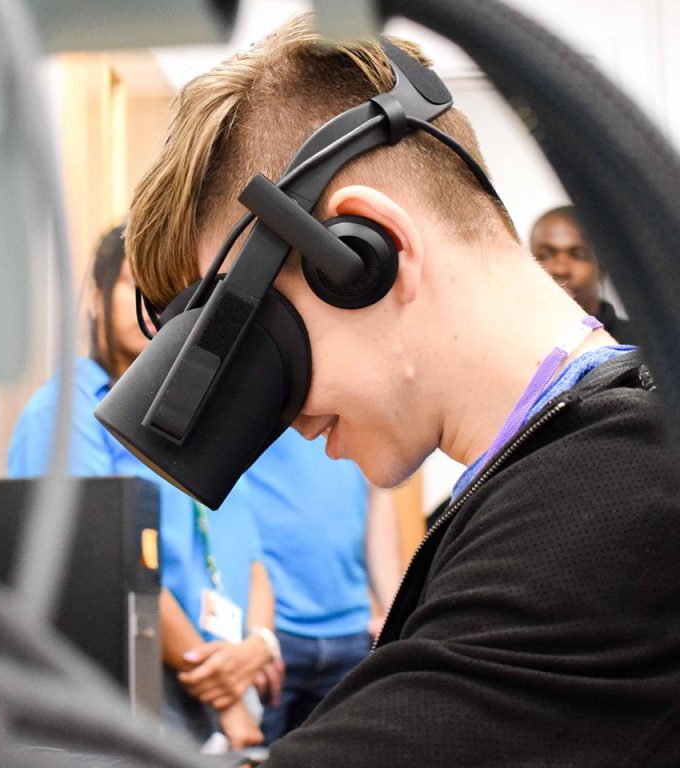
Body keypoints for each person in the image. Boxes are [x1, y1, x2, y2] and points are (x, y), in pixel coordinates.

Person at [124, 15, 680, 768]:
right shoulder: (571, 460)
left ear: (365, 254)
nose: (284, 423)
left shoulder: (615, 490)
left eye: (257, 345)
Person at [7, 224, 275, 750]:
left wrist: (260, 645)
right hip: (142, 682)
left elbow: (251, 553)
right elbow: (110, 564)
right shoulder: (65, 413)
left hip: (227, 685)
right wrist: (227, 698)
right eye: (135, 283)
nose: (151, 304)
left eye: (167, 288)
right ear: (94, 296)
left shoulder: (199, 412)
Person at [246, 428, 401, 744]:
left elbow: (377, 504)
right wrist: (256, 635)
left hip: (353, 636)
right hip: (274, 638)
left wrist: (395, 612)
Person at [530, 205, 637, 343]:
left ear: (602, 267)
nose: (560, 269)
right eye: (545, 255)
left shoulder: (639, 346)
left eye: (578, 255)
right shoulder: (509, 340)